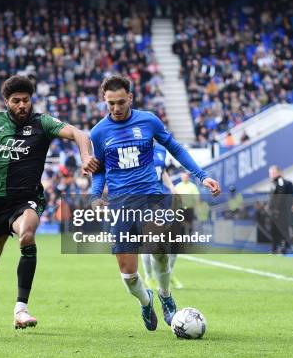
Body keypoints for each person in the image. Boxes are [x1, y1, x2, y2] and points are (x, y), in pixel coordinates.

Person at [0, 75, 99, 329]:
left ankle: (20, 309)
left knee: (27, 236)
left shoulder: (42, 122)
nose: (22, 105)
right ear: (6, 102)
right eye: (16, 101)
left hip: (27, 199)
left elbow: (79, 133)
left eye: (26, 100)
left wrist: (85, 155)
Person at [90, 75, 220, 331]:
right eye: (110, 103)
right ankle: (146, 301)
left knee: (160, 247)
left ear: (130, 97)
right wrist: (95, 197)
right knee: (129, 276)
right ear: (104, 101)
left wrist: (202, 176)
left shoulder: (148, 120)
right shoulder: (98, 132)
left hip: (151, 197)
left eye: (120, 102)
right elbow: (99, 170)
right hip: (119, 205)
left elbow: (176, 148)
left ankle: (164, 294)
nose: (115, 108)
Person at [140, 143, 183, 291]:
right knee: (150, 242)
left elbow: (162, 171)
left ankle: (168, 273)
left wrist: (171, 187)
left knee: (174, 241)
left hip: (163, 198)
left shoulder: (160, 149)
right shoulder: (136, 147)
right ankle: (148, 276)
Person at [268, 165, 293, 254]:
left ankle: (284, 248)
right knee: (274, 231)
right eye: (270, 173)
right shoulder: (274, 185)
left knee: (283, 230)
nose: (271, 175)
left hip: (283, 211)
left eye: (273, 173)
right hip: (275, 212)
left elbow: (291, 195)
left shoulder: (283, 182)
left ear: (279, 173)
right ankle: (275, 249)